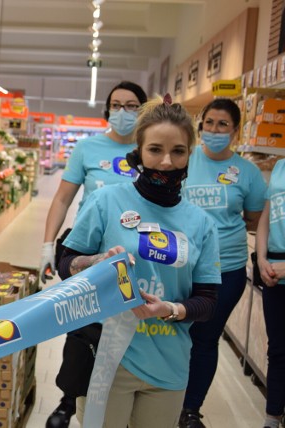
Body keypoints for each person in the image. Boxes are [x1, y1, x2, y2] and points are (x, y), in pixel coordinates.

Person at [58, 96, 221, 428]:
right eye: (155, 149)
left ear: (190, 153)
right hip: (106, 358)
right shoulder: (106, 201)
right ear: (139, 151)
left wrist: (171, 310)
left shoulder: (201, 223)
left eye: (177, 151)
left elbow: (207, 301)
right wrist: (96, 261)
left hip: (169, 364)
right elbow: (67, 264)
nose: (166, 161)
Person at [40, 81, 147, 427]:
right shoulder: (87, 149)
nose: (122, 112)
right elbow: (62, 198)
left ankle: (123, 395)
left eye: (132, 106)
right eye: (116, 105)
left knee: (129, 325)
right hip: (89, 253)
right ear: (107, 110)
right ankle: (69, 398)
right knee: (82, 325)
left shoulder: (150, 150)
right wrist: (47, 244)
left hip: (136, 252)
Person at [178, 98, 267, 427]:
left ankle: (190, 409)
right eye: (209, 123)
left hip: (226, 268)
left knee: (205, 337)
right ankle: (165, 395)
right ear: (200, 126)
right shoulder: (184, 159)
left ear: (235, 130)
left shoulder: (249, 172)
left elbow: (254, 218)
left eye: (222, 125)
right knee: (175, 332)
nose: (214, 130)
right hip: (181, 264)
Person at [256, 158, 285, 428]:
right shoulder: (280, 168)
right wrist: (261, 258)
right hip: (274, 269)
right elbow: (267, 214)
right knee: (277, 349)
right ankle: (272, 416)